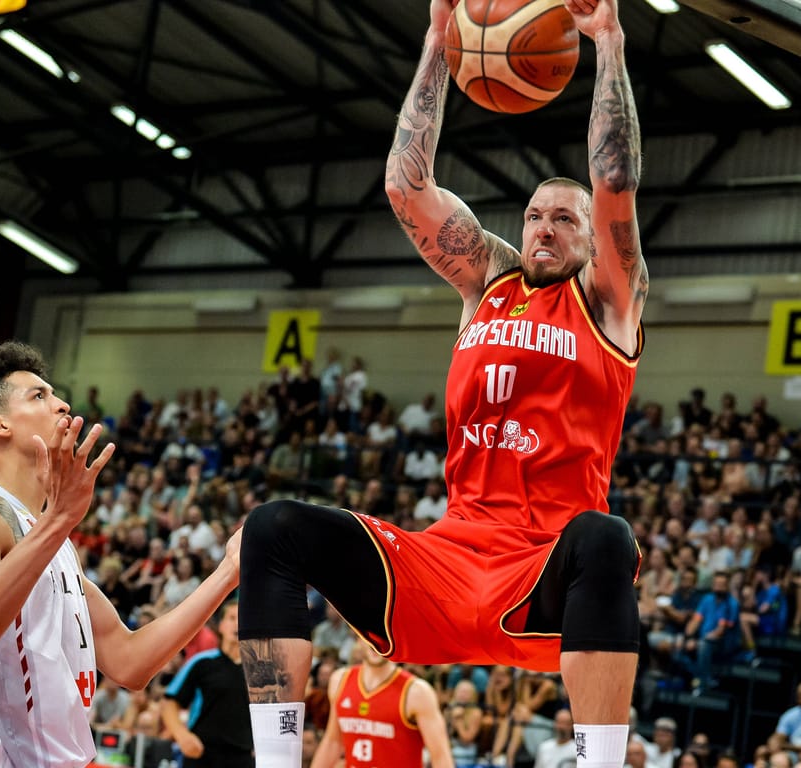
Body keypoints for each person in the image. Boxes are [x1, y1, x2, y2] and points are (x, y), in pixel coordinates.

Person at [238, 5, 648, 766]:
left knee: (606, 536)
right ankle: (276, 760)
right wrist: (436, 44)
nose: (544, 229)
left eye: (565, 219)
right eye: (533, 216)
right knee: (275, 528)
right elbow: (405, 183)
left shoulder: (608, 302)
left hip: (545, 574)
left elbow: (615, 178)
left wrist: (609, 45)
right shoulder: (487, 281)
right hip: (447, 560)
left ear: (595, 243)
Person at [0, 341, 243, 768]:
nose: (61, 404)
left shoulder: (54, 542)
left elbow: (131, 662)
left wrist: (227, 572)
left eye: (55, 393)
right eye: (39, 396)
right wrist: (58, 520)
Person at [314, 642, 453, 768]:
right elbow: (333, 741)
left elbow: (440, 756)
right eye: (369, 635)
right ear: (358, 639)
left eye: (382, 636)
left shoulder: (416, 692)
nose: (376, 643)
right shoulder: (340, 680)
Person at [162, 601, 253, 766]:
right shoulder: (202, 662)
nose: (238, 623)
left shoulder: (259, 670)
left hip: (243, 758)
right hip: (202, 754)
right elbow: (169, 703)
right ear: (221, 626)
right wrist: (182, 735)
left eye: (243, 618)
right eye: (232, 618)